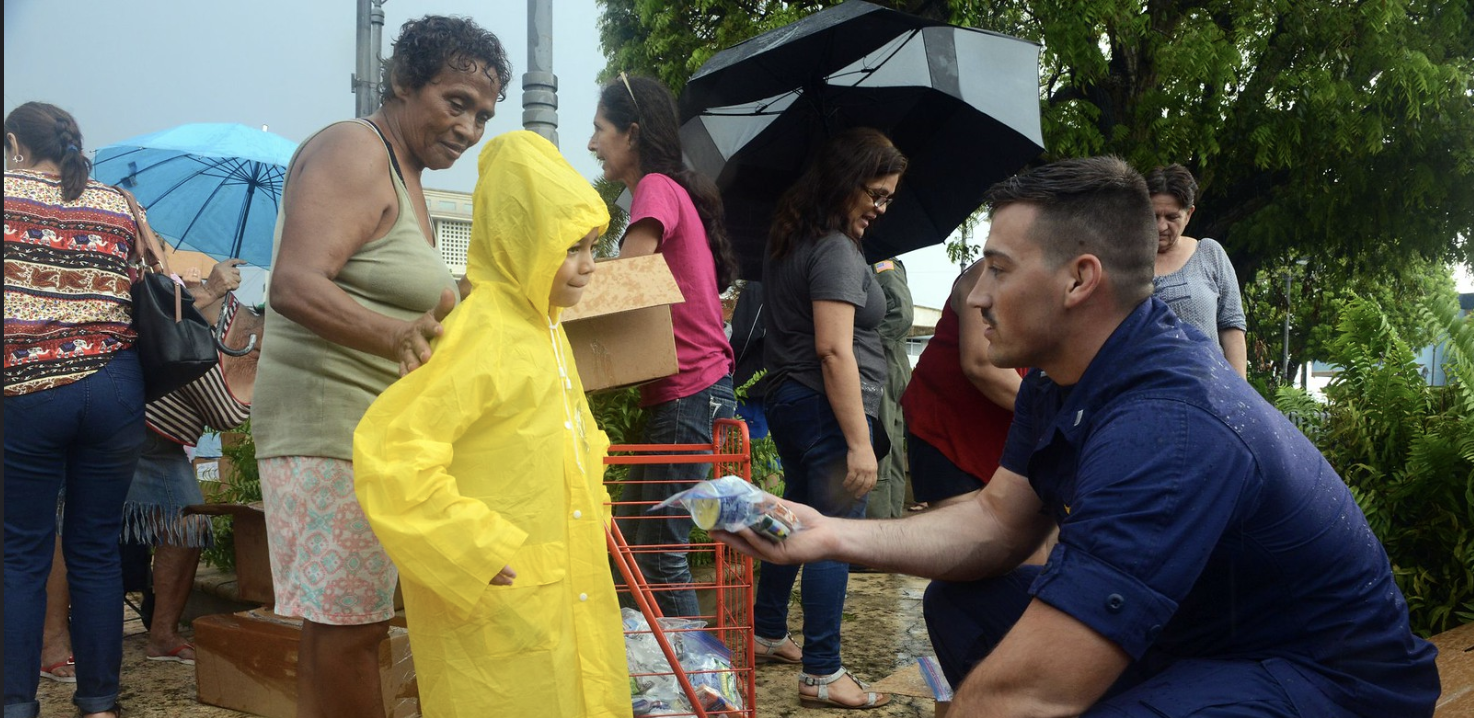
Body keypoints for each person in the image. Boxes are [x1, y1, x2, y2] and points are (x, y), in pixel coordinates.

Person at [718, 156, 1440, 717]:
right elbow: (999, 519)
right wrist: (827, 534)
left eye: (997, 268)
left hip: (1324, 680)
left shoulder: (1169, 426)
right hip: (1202, 635)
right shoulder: (1058, 377)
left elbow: (1028, 695)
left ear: (1078, 280)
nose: (975, 295)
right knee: (961, 605)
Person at [250, 16, 509, 718]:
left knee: (336, 628)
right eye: (455, 102)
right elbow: (296, 283)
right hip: (332, 429)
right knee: (354, 633)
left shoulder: (408, 176)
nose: (468, 127)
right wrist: (397, 337)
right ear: (401, 81)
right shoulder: (354, 150)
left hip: (362, 433)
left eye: (483, 115)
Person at [354, 131, 628, 718]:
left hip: (562, 588)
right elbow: (391, 451)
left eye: (591, 245)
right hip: (498, 597)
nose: (587, 266)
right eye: (568, 247)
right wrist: (467, 546)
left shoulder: (547, 332)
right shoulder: (481, 332)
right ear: (521, 240)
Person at [751, 127, 907, 710]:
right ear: (846, 182)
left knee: (793, 517)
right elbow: (835, 349)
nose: (881, 207)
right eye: (876, 193)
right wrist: (861, 444)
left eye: (889, 197)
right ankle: (822, 669)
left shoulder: (790, 237)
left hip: (791, 400)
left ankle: (768, 631)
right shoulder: (836, 249)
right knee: (833, 534)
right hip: (824, 405)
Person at [37, 267, 259, 674]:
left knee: (188, 522)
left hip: (162, 442)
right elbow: (225, 410)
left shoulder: (230, 321)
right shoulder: (192, 299)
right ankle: (52, 644)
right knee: (71, 524)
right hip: (120, 420)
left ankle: (163, 636)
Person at [5, 101, 143, 718]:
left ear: (14, 146)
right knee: (94, 548)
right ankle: (99, 705)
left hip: (27, 387)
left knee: (20, 552)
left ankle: (15, 704)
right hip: (115, 386)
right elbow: (147, 283)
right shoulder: (118, 203)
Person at [589, 73, 738, 618]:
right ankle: (660, 680)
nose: (591, 143)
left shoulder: (654, 188)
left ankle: (697, 690)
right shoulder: (672, 189)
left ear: (631, 133)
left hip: (688, 391)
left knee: (659, 555)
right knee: (630, 544)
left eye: (599, 129)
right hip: (691, 390)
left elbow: (623, 286)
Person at [900, 259, 1023, 512]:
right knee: (967, 540)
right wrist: (1054, 412)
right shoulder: (990, 271)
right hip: (949, 425)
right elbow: (981, 364)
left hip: (1001, 426)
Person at [1145, 163, 1248, 378]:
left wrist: (1240, 396)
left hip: (1209, 388)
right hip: (1145, 392)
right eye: (1154, 216)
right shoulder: (1126, 260)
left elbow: (1232, 329)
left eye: (1172, 217)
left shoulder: (1209, 253)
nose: (1161, 227)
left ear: (1189, 214)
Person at [865, 258, 913, 520]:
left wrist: (863, 343)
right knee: (890, 445)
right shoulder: (880, 262)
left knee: (880, 444)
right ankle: (889, 519)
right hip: (889, 363)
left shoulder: (882, 262)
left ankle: (878, 520)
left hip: (883, 363)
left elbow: (902, 314)